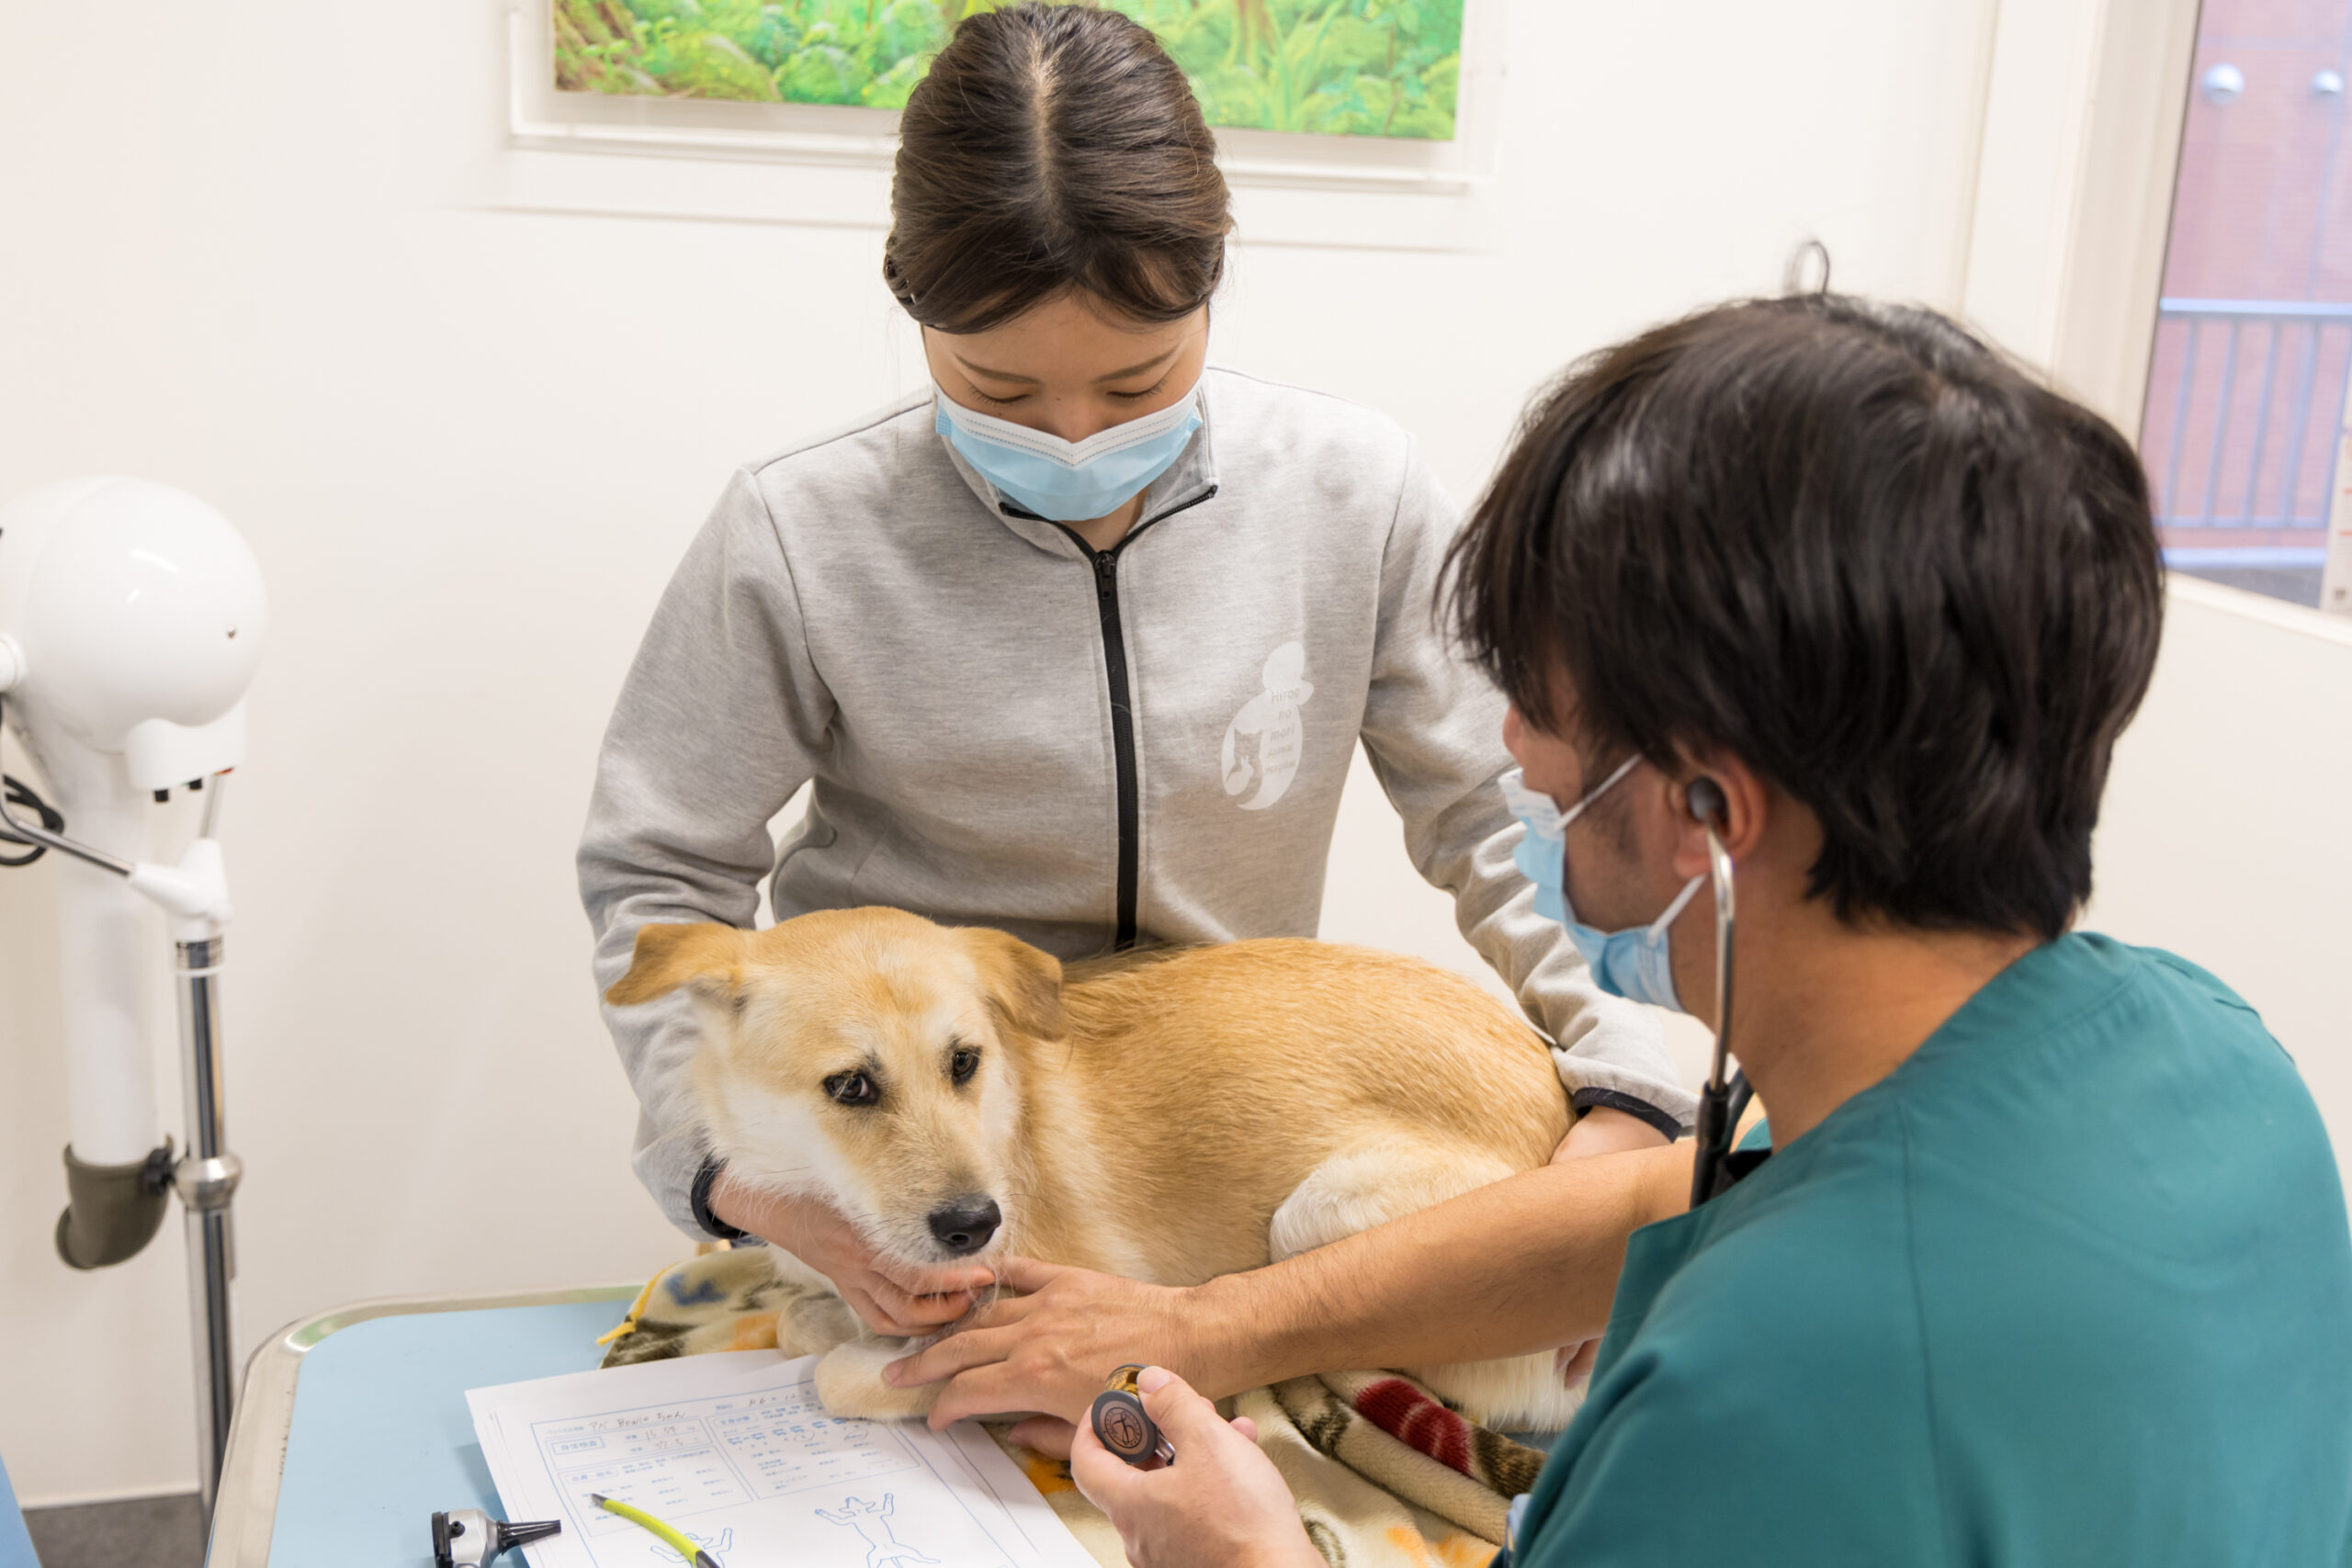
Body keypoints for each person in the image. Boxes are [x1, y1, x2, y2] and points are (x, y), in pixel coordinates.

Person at [888, 294, 2352, 1565]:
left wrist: (1248, 1555)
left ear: (1708, 814)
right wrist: (1211, 1328)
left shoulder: (1758, 1393)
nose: (1514, 749)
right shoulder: (2206, 1053)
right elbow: (1684, 1201)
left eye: (1546, 705)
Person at [576, 2, 1688, 1344]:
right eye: (997, 391)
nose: (1073, 434)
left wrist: (1631, 1089)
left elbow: (1509, 817)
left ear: (1213, 287)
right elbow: (657, 877)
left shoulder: (1355, 494)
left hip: (1216, 1159)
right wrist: (740, 1182)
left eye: (1137, 379)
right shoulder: (800, 533)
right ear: (909, 307)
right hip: (918, 1171)